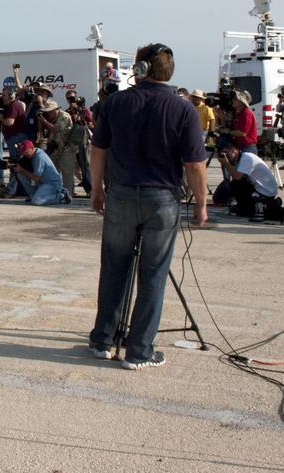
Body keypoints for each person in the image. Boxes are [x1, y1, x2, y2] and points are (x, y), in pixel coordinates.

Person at [88, 43, 207, 371]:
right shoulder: (183, 109)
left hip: (121, 195)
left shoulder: (114, 104)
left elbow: (98, 151)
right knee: (153, 275)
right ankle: (139, 351)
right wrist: (201, 203)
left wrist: (96, 191)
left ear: (138, 70)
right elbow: (195, 164)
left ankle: (103, 340)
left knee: (114, 268)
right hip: (161, 199)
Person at [218, 144, 280, 219]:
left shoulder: (247, 158)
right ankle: (243, 207)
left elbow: (237, 177)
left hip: (266, 191)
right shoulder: (237, 159)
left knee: (236, 185)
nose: (226, 156)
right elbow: (229, 178)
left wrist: (226, 163)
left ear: (234, 150)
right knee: (219, 196)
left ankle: (246, 208)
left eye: (227, 154)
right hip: (257, 187)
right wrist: (225, 164)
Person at [10, 140, 69, 206]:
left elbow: (36, 178)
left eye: (26, 152)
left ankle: (61, 196)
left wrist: (21, 169)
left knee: (36, 201)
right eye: (23, 153)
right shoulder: (34, 152)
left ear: (32, 148)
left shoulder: (39, 157)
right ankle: (33, 195)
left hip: (51, 185)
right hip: (42, 183)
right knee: (20, 175)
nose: (25, 154)